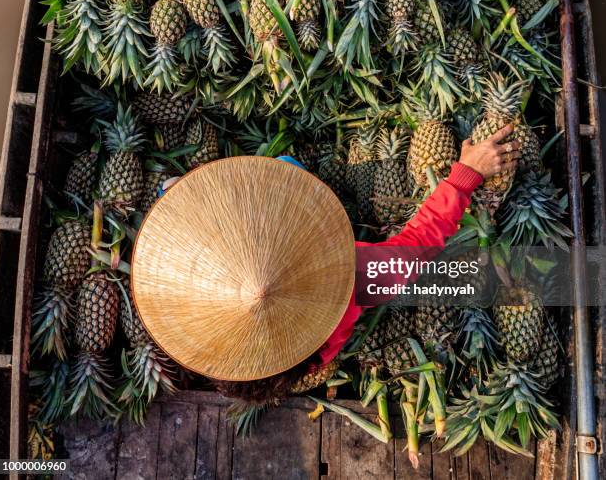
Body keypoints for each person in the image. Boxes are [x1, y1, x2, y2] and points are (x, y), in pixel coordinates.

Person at [132, 124, 520, 404]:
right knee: (284, 166)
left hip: (299, 359)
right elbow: (415, 248)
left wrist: (183, 193)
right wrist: (465, 176)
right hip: (322, 338)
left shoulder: (188, 314)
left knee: (176, 188)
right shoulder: (349, 276)